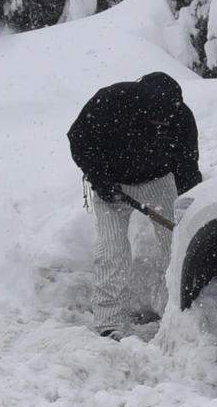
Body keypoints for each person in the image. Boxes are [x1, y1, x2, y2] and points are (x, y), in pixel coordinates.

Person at [67, 72, 201, 333]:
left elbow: (187, 167)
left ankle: (176, 314)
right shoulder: (109, 103)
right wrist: (98, 178)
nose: (162, 123)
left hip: (158, 181)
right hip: (112, 186)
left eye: (166, 118)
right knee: (112, 251)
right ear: (141, 105)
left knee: (176, 245)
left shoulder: (180, 117)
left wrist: (188, 207)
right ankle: (109, 323)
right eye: (156, 118)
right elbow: (79, 139)